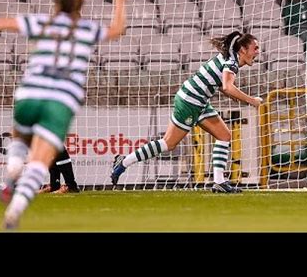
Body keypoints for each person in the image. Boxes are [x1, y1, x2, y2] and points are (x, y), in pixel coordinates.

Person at [0, 0, 126, 229]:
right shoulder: (87, 29)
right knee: (41, 160)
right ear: (81, 6)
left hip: (29, 93)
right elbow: (117, 29)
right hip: (61, 101)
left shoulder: (41, 23)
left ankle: (12, 171)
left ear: (56, 4)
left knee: (20, 135)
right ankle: (15, 210)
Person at [110, 30, 262, 193]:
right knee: (168, 143)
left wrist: (233, 95)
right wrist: (251, 100)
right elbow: (227, 86)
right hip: (190, 101)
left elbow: (219, 83)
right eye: (255, 47)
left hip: (199, 101)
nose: (258, 51)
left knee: (224, 135)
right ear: (243, 50)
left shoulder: (230, 57)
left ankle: (219, 182)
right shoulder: (231, 62)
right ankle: (124, 161)